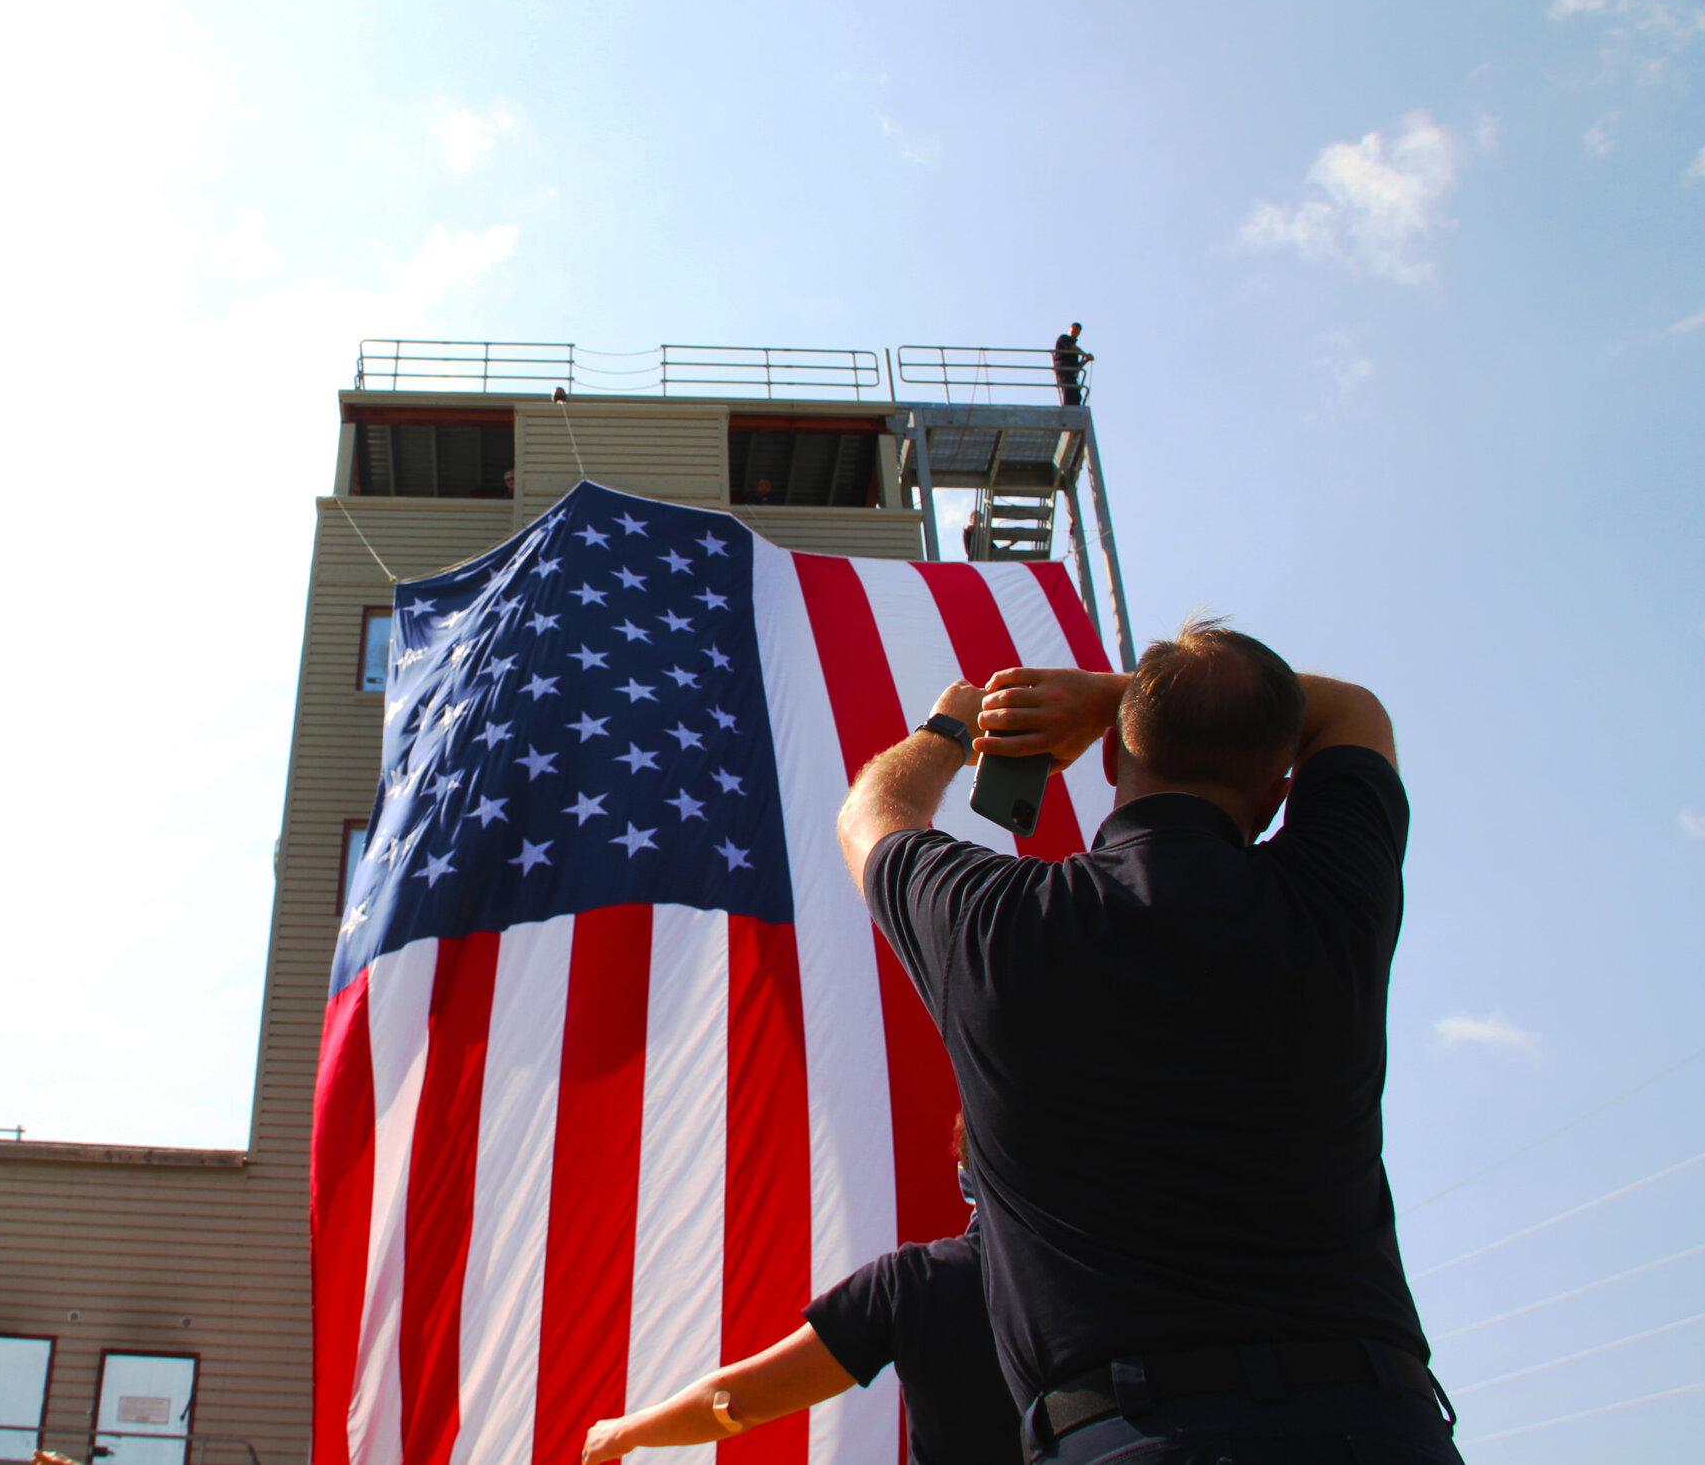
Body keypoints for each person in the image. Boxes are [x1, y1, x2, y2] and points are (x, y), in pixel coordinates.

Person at [834, 618, 1459, 1465]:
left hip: (1131, 1435)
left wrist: (951, 726)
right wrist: (1110, 693)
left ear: (1109, 762)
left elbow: (872, 814)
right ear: (1279, 793)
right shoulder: (1333, 903)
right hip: (1379, 1428)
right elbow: (1354, 710)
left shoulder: (997, 924)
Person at [582, 1119, 1015, 1465]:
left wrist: (627, 1430)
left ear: (964, 1178)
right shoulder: (1082, 1272)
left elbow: (738, 1401)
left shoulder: (914, 1283)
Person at [1051, 324, 1090, 405]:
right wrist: (1085, 355)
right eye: (1073, 330)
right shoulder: (1064, 338)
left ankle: (1075, 407)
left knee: (1076, 395)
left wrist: (1087, 360)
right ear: (1069, 330)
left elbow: (1077, 367)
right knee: (1068, 390)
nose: (1074, 333)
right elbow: (1073, 347)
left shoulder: (1075, 353)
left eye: (1077, 332)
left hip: (1071, 372)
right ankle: (1068, 407)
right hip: (1063, 367)